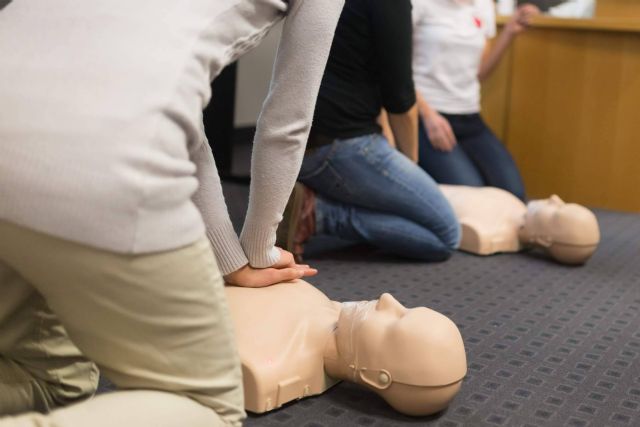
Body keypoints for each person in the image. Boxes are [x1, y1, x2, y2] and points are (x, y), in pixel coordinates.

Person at [0, 0, 343, 425]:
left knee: (47, 380)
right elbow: (287, 123)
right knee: (208, 407)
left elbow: (173, 100)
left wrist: (229, 260)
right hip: (97, 148)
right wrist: (260, 250)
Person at [278, 0, 461, 263]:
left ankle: (317, 197)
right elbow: (400, 100)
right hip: (336, 146)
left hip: (288, 139)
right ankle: (316, 214)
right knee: (446, 235)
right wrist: (409, 167)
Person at [412, 0, 539, 201]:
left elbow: (480, 73)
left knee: (513, 194)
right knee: (474, 199)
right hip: (426, 118)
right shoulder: (418, 4)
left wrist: (509, 33)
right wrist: (428, 115)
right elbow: (394, 70)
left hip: (469, 116)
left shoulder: (483, 5)